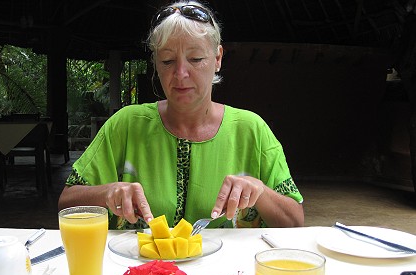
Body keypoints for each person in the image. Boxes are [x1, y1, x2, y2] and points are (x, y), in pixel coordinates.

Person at [58, 0, 304, 230]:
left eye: (195, 59)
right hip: (140, 272)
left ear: (217, 58)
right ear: (155, 63)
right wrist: (107, 192)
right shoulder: (126, 125)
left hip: (227, 274)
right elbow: (66, 202)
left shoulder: (251, 130)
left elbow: (294, 221)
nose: (181, 73)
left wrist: (260, 192)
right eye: (167, 61)